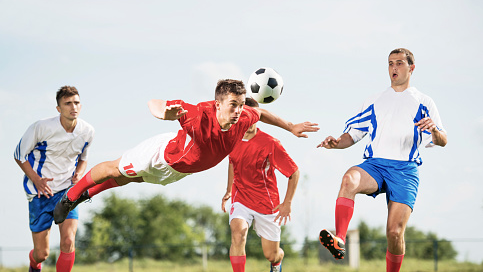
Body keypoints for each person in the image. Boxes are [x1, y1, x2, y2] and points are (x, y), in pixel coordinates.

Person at [53, 79, 318, 226]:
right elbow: (155, 103)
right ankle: (71, 197)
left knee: (126, 180)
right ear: (218, 104)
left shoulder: (244, 117)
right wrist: (163, 113)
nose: (238, 111)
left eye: (240, 105)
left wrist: (290, 126)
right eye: (233, 105)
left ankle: (83, 196)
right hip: (161, 154)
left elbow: (260, 112)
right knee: (114, 169)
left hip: (179, 171)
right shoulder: (197, 114)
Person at [317, 48, 447, 272]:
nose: (394, 68)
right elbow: (353, 135)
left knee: (394, 232)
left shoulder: (424, 102)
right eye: (390, 64)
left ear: (411, 68)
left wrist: (436, 130)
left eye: (399, 63)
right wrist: (336, 142)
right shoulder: (375, 100)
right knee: (349, 179)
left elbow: (442, 140)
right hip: (375, 165)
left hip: (405, 171)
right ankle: (340, 240)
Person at [14, 86, 95, 272]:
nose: (73, 107)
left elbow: (83, 159)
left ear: (81, 105)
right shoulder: (41, 127)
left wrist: (78, 174)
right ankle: (35, 264)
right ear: (58, 108)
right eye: (68, 103)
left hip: (67, 191)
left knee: (68, 240)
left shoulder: (87, 131)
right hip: (40, 192)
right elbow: (18, 154)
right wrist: (37, 180)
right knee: (43, 253)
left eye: (76, 103)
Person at [221, 98, 300, 272]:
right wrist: (229, 190)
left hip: (267, 204)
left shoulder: (270, 143)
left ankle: (278, 260)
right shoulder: (231, 138)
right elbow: (232, 162)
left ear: (257, 117)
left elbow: (294, 172)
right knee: (237, 232)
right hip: (241, 198)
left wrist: (287, 203)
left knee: (270, 254)